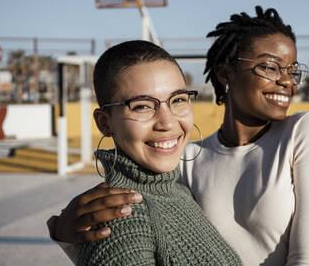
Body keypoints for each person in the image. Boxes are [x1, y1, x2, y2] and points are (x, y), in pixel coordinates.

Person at [48, 6, 309, 265]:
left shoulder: (303, 131)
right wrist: (68, 232)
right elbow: (144, 226)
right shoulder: (187, 158)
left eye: (292, 70)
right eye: (269, 66)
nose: (287, 81)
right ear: (225, 74)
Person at [66, 40, 241, 265]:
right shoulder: (122, 215)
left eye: (178, 100)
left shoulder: (177, 190)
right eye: (142, 106)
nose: (167, 122)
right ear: (104, 123)